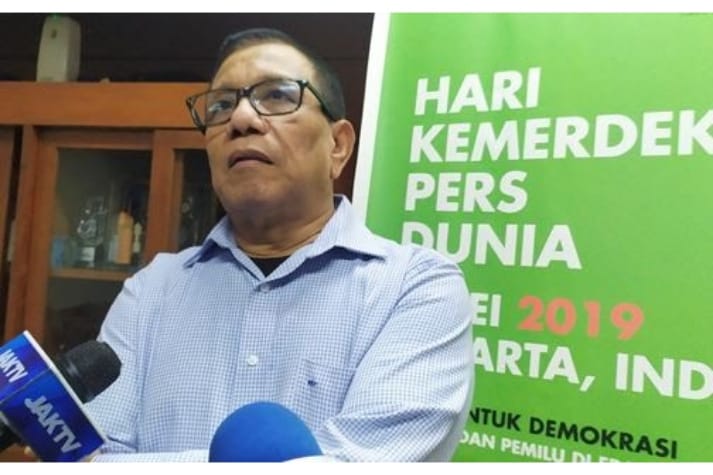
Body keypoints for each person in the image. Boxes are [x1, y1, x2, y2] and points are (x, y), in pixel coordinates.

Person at [86, 27, 474, 462]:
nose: (241, 119)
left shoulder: (416, 288)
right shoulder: (151, 290)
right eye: (221, 105)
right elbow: (92, 455)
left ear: (338, 146)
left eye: (276, 96)